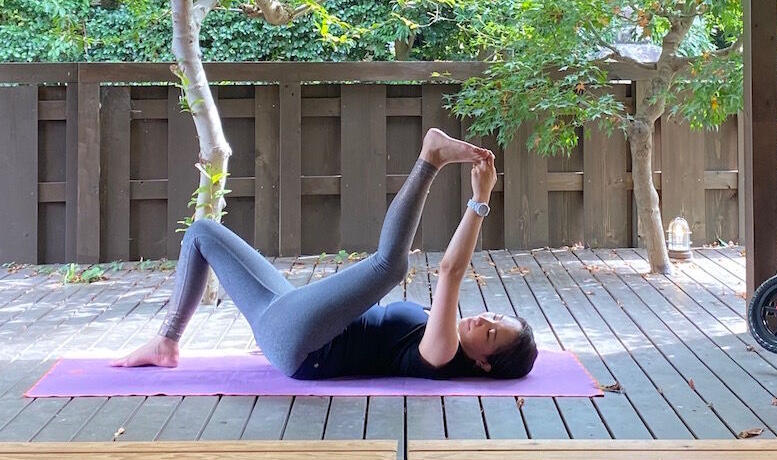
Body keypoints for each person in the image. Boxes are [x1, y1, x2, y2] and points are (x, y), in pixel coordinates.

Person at [113, 128, 538, 380]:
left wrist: (481, 199)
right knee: (202, 233)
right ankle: (167, 341)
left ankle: (430, 158)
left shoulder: (441, 353)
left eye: (490, 334)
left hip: (302, 347)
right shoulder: (442, 335)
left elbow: (450, 271)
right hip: (289, 326)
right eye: (494, 317)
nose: (483, 321)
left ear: (484, 364)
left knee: (390, 266)